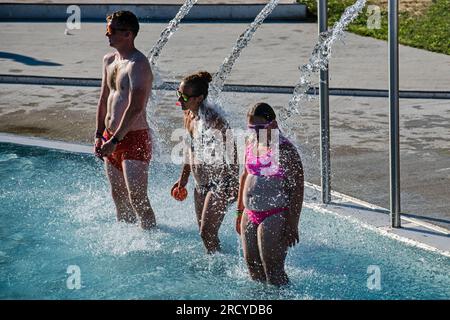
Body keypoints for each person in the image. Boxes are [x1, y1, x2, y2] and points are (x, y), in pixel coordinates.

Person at [94, 10, 156, 230]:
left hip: (133, 138)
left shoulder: (138, 64)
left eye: (111, 30)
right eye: (107, 28)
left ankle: (152, 241)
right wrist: (99, 135)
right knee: (119, 199)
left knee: (137, 199)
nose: (106, 34)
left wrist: (115, 140)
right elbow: (103, 99)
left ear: (128, 34)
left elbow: (136, 107)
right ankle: (128, 241)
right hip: (110, 137)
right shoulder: (109, 60)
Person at [236, 103, 304, 286]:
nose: (254, 132)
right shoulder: (251, 142)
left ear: (272, 124)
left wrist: (292, 223)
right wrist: (238, 211)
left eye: (259, 128)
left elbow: (297, 189)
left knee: (273, 271)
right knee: (253, 268)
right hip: (249, 214)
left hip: (274, 215)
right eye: (251, 128)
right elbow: (245, 175)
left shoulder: (285, 150)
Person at [171, 71, 239, 254]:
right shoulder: (189, 115)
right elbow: (189, 148)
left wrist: (233, 182)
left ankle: (223, 268)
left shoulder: (215, 121)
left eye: (185, 96)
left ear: (199, 98)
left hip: (220, 184)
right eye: (178, 93)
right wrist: (183, 179)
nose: (180, 99)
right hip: (200, 185)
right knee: (206, 235)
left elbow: (232, 152)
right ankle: (217, 264)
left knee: (206, 233)